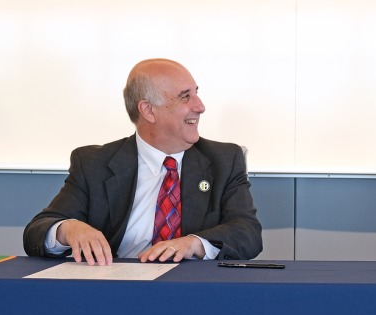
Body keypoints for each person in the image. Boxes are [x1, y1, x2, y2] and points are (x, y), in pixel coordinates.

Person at [24, 58, 262, 265]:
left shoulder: (224, 160)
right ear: (148, 110)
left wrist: (194, 244)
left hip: (194, 289)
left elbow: (248, 233)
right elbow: (37, 231)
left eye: (196, 93)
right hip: (117, 290)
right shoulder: (94, 163)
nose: (200, 106)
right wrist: (69, 229)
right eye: (185, 97)